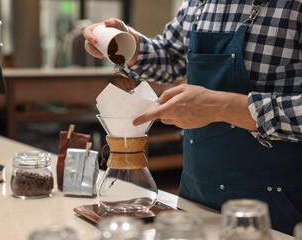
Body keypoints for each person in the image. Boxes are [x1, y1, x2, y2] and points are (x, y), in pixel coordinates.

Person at [83, 0, 302, 235]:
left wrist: (221, 107)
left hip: (278, 210)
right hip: (195, 202)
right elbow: (171, 57)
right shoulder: (200, 2)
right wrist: (130, 45)